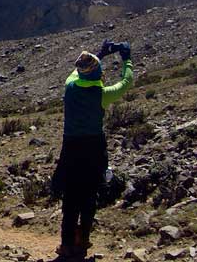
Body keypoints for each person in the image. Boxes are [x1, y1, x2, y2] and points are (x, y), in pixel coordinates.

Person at [52, 39, 134, 261]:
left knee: (70, 198)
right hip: (94, 148)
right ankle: (83, 241)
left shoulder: (70, 87)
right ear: (97, 73)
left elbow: (75, 72)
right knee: (89, 196)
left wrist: (99, 54)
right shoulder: (102, 94)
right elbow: (127, 81)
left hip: (70, 149)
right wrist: (126, 59)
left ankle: (67, 244)